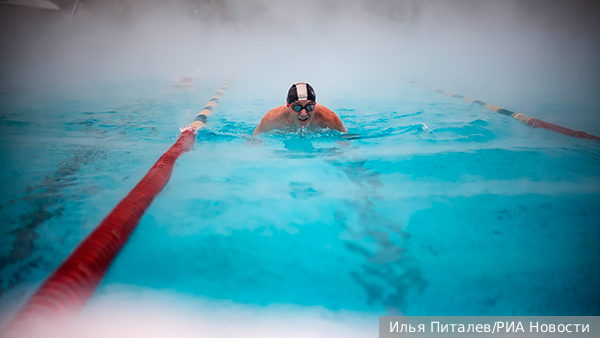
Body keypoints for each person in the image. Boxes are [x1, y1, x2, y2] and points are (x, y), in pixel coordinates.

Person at [252, 82, 347, 135]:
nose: (304, 113)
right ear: (288, 105)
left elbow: (346, 142)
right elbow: (253, 141)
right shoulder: (272, 119)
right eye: (297, 107)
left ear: (315, 104)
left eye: (309, 106)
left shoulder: (329, 119)